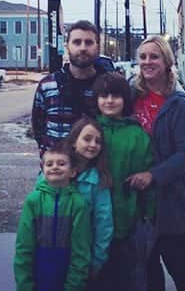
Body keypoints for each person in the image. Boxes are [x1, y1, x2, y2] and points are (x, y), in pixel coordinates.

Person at [127, 36, 185, 291]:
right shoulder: (130, 95)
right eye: (143, 57)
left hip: (173, 199)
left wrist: (153, 175)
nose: (147, 62)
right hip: (138, 200)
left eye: (154, 56)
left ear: (166, 61)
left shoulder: (179, 103)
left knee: (182, 265)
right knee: (147, 268)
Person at [94, 72, 155, 291]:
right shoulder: (90, 131)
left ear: (125, 100)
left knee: (126, 277)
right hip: (93, 221)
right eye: (103, 96)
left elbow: (147, 173)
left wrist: (148, 213)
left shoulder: (137, 135)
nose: (109, 101)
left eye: (115, 96)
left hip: (127, 219)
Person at [14, 143, 91, 291]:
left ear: (73, 171)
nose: (55, 167)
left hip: (65, 273)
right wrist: (24, 284)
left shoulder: (78, 204)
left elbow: (81, 250)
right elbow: (23, 246)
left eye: (61, 163)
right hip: (38, 272)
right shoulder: (33, 201)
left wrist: (74, 286)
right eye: (49, 164)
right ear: (43, 170)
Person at [31, 20, 104, 157]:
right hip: (57, 171)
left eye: (89, 42)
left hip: (95, 172)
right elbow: (38, 127)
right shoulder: (47, 86)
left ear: (97, 47)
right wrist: (47, 154)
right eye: (77, 42)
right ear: (67, 46)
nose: (82, 48)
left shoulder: (107, 88)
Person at [65, 117, 114, 287]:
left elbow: (104, 223)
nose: (93, 144)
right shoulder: (55, 171)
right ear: (73, 141)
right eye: (87, 139)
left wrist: (98, 260)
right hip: (52, 252)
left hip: (82, 258)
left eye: (98, 141)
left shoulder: (98, 180)